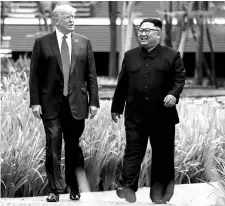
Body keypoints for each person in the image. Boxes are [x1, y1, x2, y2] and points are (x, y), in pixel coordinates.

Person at [111, 18, 186, 204]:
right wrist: (116, 108)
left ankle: (160, 196)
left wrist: (173, 95)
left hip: (162, 116)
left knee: (162, 156)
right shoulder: (130, 56)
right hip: (135, 116)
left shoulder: (172, 55)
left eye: (147, 30)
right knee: (133, 152)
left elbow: (179, 79)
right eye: (140, 30)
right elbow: (122, 85)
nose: (142, 33)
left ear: (158, 34)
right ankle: (127, 188)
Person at [29, 4, 99, 202]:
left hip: (77, 104)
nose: (71, 20)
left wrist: (93, 102)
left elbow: (91, 75)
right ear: (56, 20)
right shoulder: (42, 43)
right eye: (67, 17)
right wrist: (35, 102)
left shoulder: (84, 42)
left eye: (73, 17)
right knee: (52, 146)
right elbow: (35, 76)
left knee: (73, 147)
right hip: (50, 104)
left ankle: (74, 187)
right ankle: (55, 189)